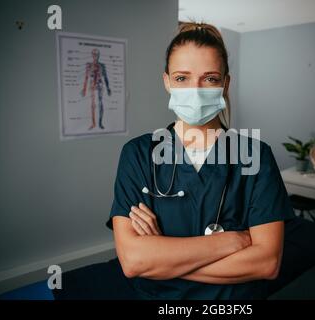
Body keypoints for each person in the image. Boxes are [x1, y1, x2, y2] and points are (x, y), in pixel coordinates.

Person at [107, 22, 295, 300]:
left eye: (209, 78)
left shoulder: (257, 156)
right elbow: (133, 261)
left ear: (225, 83)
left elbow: (266, 263)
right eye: (182, 78)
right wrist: (231, 242)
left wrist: (161, 256)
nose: (195, 90)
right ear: (167, 82)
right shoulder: (137, 154)